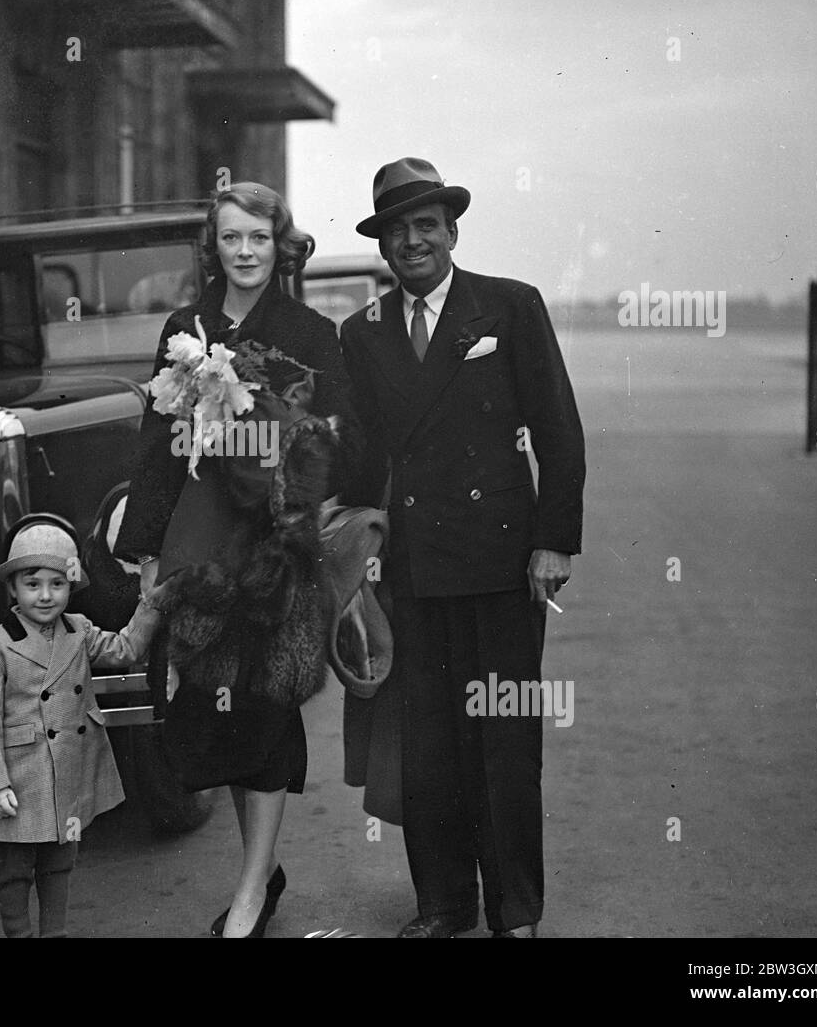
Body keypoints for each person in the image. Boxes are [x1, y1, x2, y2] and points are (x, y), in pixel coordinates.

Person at [340, 157, 586, 938]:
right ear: (382, 246)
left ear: (451, 232)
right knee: (429, 747)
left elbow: (559, 431)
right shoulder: (362, 331)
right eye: (396, 231)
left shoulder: (509, 308)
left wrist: (554, 542)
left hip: (503, 564)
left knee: (505, 743)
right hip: (410, 570)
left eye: (425, 227)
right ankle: (444, 905)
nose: (412, 243)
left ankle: (515, 910)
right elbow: (360, 455)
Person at [115, 182, 357, 938]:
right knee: (214, 716)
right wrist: (147, 555)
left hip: (277, 553)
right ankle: (263, 873)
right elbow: (158, 447)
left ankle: (251, 893)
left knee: (268, 708)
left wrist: (277, 468)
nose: (245, 251)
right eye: (231, 239)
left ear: (279, 244)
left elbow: (328, 445)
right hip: (201, 550)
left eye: (258, 237)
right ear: (213, 247)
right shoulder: (186, 329)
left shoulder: (313, 332)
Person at [0, 514, 164, 937]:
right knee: (16, 870)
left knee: (60, 864)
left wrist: (150, 603)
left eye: (57, 585)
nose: (45, 596)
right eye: (33, 584)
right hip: (20, 780)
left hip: (65, 774)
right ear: (13, 589)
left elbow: (125, 648)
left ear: (71, 589)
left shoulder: (79, 631)